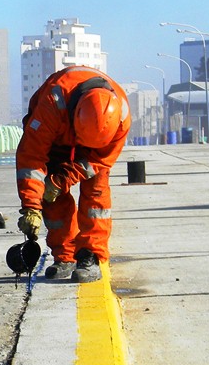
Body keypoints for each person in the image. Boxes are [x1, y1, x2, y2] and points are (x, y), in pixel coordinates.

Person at [15, 65, 131, 283]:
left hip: (95, 152)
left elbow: (100, 160)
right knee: (51, 195)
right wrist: (31, 205)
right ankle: (65, 256)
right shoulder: (52, 102)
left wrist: (63, 179)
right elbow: (31, 157)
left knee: (96, 197)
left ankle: (91, 255)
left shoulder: (121, 119)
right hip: (58, 136)